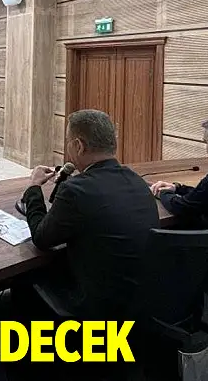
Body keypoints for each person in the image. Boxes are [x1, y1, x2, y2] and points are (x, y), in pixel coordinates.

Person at [21, 109, 160, 320]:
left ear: (79, 146)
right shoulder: (137, 180)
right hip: (142, 301)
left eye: (68, 142)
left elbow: (41, 238)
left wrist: (33, 188)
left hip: (98, 309)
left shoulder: (76, 190)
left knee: (24, 279)